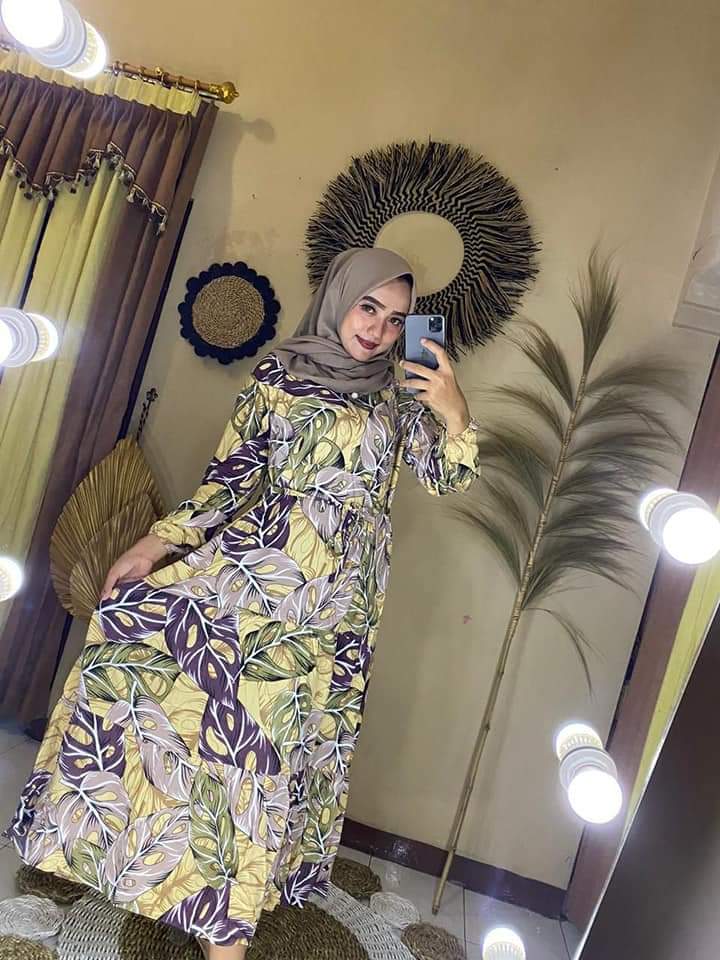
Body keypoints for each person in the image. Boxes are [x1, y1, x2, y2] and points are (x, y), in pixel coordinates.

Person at [7, 248, 481, 959]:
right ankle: (193, 903)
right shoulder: (277, 376)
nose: (379, 330)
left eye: (397, 319)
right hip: (253, 579)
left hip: (335, 607)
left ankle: (222, 920)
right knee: (206, 728)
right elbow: (229, 482)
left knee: (266, 754)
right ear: (339, 299)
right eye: (368, 307)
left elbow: (447, 480)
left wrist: (454, 409)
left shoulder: (399, 395)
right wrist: (152, 546)